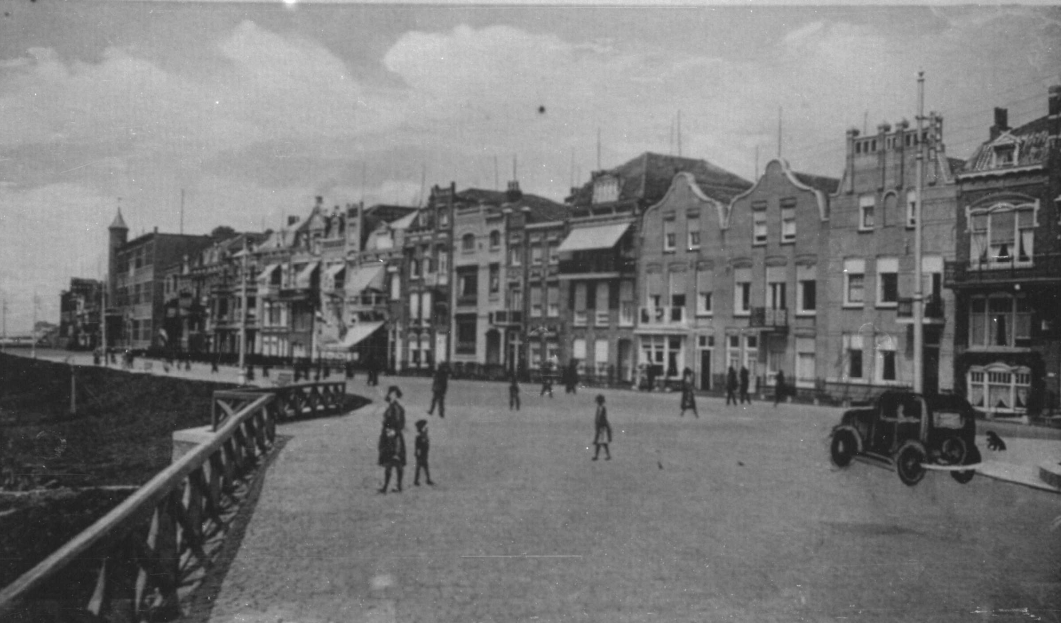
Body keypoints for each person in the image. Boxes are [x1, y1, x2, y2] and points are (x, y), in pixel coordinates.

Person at [377, 424, 406, 494]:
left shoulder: (398, 435)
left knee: (399, 468)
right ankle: (385, 487)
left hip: (396, 453)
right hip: (389, 453)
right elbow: (382, 444)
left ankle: (398, 486)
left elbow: (400, 445)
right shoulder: (386, 433)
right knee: (389, 468)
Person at [413, 419, 434, 486]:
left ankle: (423, 480)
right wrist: (418, 453)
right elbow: (418, 447)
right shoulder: (420, 437)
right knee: (420, 467)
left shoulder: (424, 436)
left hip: (424, 454)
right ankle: (418, 480)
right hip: (421, 455)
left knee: (423, 467)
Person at [592, 394, 612, 460]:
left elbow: (601, 418)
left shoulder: (601, 408)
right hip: (601, 426)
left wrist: (599, 425)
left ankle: (597, 456)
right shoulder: (600, 407)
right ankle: (600, 456)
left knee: (600, 442)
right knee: (602, 442)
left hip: (601, 427)